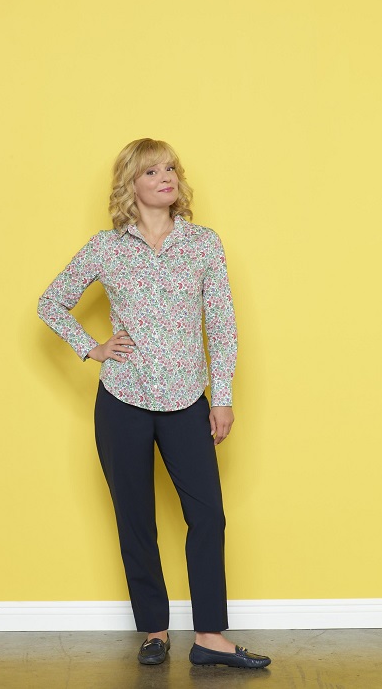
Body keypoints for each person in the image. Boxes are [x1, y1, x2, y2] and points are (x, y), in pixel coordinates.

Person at [37, 138, 271, 669]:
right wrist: (92, 347)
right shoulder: (106, 247)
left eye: (170, 168)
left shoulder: (203, 244)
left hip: (188, 399)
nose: (165, 177)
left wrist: (223, 396)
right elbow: (51, 302)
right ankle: (155, 632)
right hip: (123, 399)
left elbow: (222, 325)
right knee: (135, 518)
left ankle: (209, 637)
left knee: (207, 516)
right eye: (151, 171)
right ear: (131, 184)